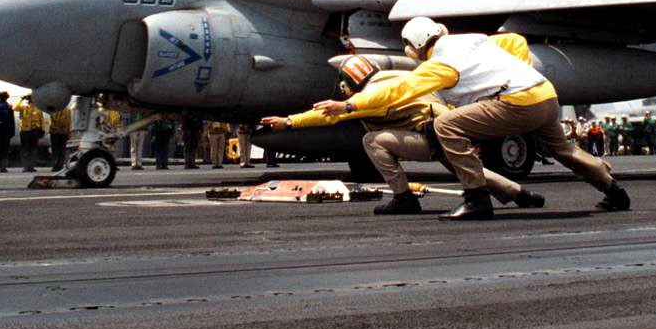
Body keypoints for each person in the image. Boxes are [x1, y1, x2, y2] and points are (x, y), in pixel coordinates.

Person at [317, 18, 629, 221]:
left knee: (445, 126)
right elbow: (515, 40)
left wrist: (349, 106)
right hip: (544, 94)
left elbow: (400, 89)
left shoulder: (439, 65)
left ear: (414, 47)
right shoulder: (474, 39)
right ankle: (615, 193)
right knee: (564, 150)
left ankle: (476, 199)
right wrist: (519, 72)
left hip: (517, 101)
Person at [264, 54, 544, 215]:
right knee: (468, 169)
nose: (341, 87)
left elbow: (330, 114)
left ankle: (403, 198)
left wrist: (289, 122)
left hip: (428, 137)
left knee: (371, 140)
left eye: (343, 82)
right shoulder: (399, 76)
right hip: (445, 130)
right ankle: (521, 195)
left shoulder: (370, 94)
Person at [16, 95, 45, 172]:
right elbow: (15, 108)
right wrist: (21, 99)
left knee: (33, 149)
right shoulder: (23, 107)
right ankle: (26, 167)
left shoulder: (38, 108)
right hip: (25, 130)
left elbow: (41, 119)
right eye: (29, 98)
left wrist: (42, 129)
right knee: (25, 149)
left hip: (34, 130)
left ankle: (31, 166)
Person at [48, 103, 72, 171]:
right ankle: (56, 164)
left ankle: (59, 165)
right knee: (57, 149)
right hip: (56, 132)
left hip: (61, 132)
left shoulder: (66, 111)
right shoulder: (55, 111)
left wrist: (68, 132)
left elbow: (68, 122)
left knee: (60, 149)